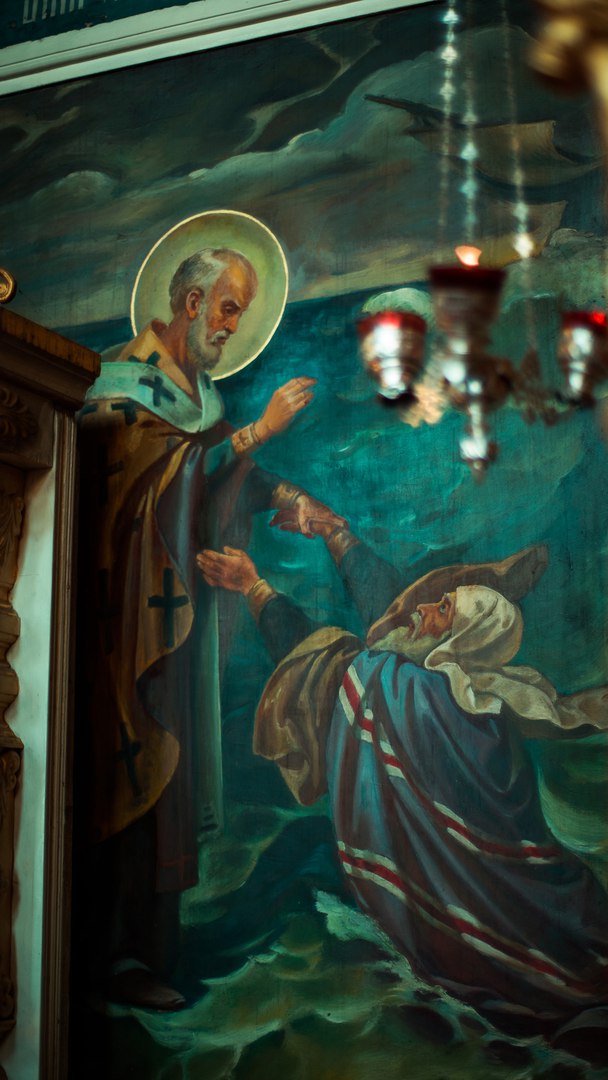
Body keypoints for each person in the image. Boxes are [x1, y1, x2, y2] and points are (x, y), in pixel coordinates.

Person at [197, 520, 608, 1064]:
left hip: (481, 891)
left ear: (462, 636)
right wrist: (334, 532)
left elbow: (326, 662)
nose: (424, 610)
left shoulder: (410, 694)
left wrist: (254, 586)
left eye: (443, 609)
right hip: (525, 884)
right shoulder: (488, 703)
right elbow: (386, 617)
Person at [75, 246, 344, 1009]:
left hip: (177, 618)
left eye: (240, 313)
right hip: (127, 624)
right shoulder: (122, 384)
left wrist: (289, 499)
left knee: (172, 772)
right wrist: (260, 431)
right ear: (192, 303)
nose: (231, 326)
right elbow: (160, 481)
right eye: (228, 308)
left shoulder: (198, 393)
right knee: (133, 764)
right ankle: (110, 955)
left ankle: (154, 952)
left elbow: (220, 470)